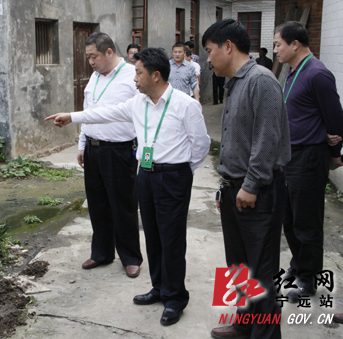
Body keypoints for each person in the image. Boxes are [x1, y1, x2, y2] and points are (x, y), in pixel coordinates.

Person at [46, 47, 210, 326]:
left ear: (155, 76)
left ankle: (175, 298)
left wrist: (181, 171)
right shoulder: (138, 104)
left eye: (139, 72)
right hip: (145, 175)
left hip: (173, 177)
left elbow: (201, 145)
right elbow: (105, 113)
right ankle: (159, 288)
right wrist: (72, 116)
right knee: (154, 236)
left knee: (172, 240)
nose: (134, 78)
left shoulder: (185, 105)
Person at [203, 19, 290, 339]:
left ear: (228, 46)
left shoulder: (260, 81)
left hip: (258, 191)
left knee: (262, 271)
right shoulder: (235, 81)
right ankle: (243, 324)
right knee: (239, 266)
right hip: (234, 189)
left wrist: (251, 185)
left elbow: (267, 139)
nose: (208, 59)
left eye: (210, 51)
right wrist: (226, 188)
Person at [273, 21, 343, 303]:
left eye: (278, 44)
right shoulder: (291, 72)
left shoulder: (318, 74)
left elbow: (335, 118)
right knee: (289, 218)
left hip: (309, 157)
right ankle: (299, 264)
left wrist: (335, 150)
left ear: (295, 44)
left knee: (306, 222)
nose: (275, 49)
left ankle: (308, 279)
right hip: (289, 156)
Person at [77, 32, 143, 278]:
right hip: (94, 150)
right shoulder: (94, 78)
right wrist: (82, 145)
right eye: (87, 57)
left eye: (93, 56)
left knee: (123, 205)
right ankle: (102, 253)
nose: (90, 62)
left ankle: (131, 256)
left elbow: (143, 114)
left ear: (109, 52)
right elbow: (87, 113)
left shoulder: (131, 76)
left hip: (119, 151)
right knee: (97, 204)